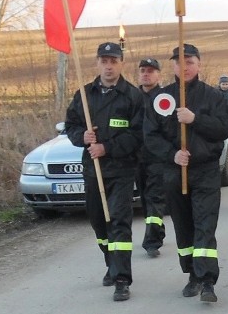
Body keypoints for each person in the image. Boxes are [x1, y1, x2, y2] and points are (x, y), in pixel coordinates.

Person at [144, 43, 228, 303]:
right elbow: (150, 136)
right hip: (174, 172)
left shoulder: (213, 97)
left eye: (190, 62)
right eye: (179, 62)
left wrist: (195, 120)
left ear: (199, 65)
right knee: (184, 227)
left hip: (205, 171)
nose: (185, 67)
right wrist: (171, 154)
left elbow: (224, 128)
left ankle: (207, 281)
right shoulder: (161, 99)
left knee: (205, 226)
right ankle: (192, 274)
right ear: (172, 66)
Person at [65, 42, 144, 301]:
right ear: (97, 63)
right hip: (93, 170)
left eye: (114, 61)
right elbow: (71, 125)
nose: (109, 66)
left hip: (121, 170)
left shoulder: (132, 96)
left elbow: (138, 135)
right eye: (104, 61)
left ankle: (122, 279)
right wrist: (82, 136)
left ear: (121, 63)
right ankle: (111, 263)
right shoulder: (85, 95)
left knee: (119, 221)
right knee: (99, 222)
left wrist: (106, 148)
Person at [136, 58, 166, 258]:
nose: (146, 74)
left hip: (158, 158)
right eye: (143, 70)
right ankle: (157, 231)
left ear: (158, 75)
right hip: (137, 157)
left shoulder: (165, 98)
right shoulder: (132, 97)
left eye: (151, 71)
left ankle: (152, 241)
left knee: (155, 197)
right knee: (145, 199)